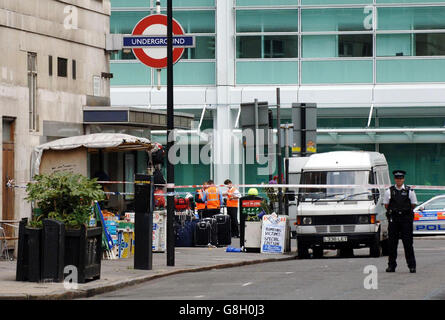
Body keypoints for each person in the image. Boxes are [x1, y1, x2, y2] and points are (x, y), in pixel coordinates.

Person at [383, 170, 417, 273]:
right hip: (394, 220)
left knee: (408, 244)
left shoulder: (409, 191)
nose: (399, 180)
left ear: (403, 179)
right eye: (397, 179)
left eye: (401, 178)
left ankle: (412, 266)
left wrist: (404, 211)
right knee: (392, 244)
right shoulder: (389, 191)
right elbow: (386, 205)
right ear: (395, 179)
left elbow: (413, 204)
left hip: (406, 220)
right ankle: (391, 266)